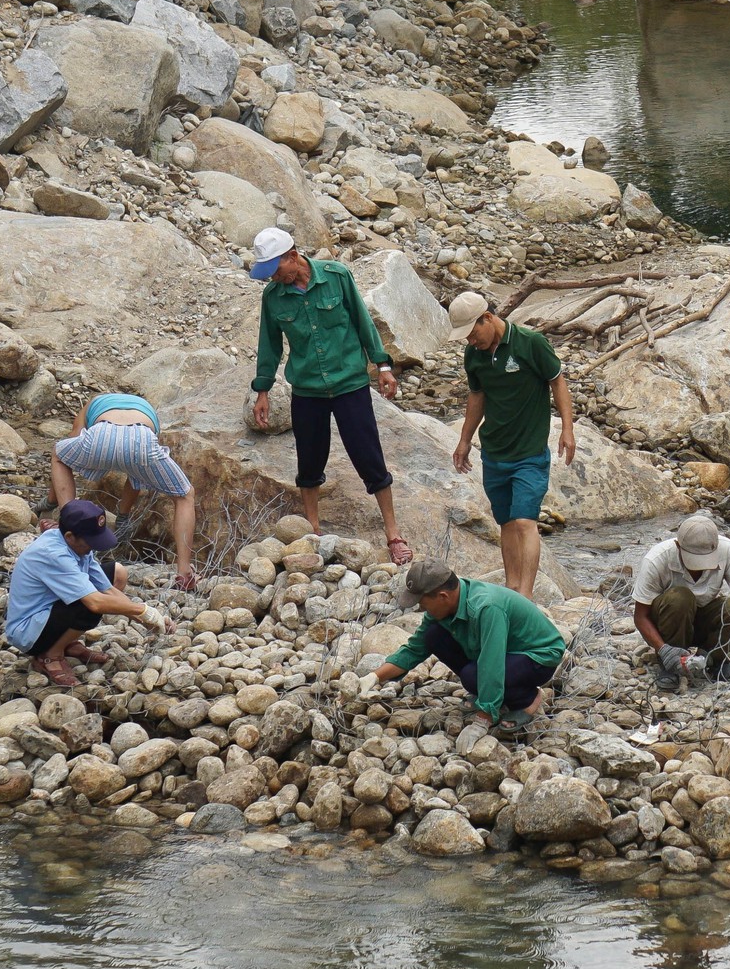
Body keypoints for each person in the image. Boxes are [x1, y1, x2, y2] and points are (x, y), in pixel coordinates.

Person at [246, 227, 411, 565]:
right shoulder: (274, 297)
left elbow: (363, 322)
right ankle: (313, 531)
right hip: (307, 390)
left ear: (293, 257)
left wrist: (382, 366)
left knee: (369, 456)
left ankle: (393, 534)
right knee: (309, 460)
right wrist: (262, 389)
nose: (274, 278)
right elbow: (270, 345)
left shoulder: (337, 277)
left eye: (276, 270)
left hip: (350, 383)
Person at [445, 292, 575, 599]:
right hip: (494, 452)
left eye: (472, 333)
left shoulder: (530, 343)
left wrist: (567, 429)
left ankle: (525, 596)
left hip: (529, 452)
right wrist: (464, 440)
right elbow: (477, 396)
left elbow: (557, 380)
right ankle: (512, 587)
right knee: (505, 521)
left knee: (524, 520)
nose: (469, 341)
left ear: (487, 318)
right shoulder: (474, 355)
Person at [366, 559, 567, 734]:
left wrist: (483, 718)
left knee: (473, 676)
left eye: (423, 603)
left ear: (443, 596)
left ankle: (527, 699)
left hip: (538, 655)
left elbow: (492, 662)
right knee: (433, 635)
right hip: (505, 652)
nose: (421, 608)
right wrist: (373, 677)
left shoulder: (486, 607)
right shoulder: (443, 607)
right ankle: (493, 693)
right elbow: (414, 649)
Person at [5, 500, 166, 688]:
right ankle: (50, 655)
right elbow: (96, 602)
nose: (93, 547)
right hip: (28, 631)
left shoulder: (78, 547)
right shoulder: (54, 554)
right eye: (90, 542)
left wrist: (148, 617)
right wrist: (142, 610)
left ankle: (66, 643)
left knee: (117, 572)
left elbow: (108, 589)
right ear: (70, 536)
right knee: (90, 605)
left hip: (51, 611)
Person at [49, 392, 197, 591]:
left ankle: (70, 522)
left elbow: (72, 441)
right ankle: (184, 571)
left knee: (58, 455)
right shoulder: (147, 410)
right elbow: (137, 476)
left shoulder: (93, 403)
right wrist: (123, 515)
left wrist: (51, 501)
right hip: (142, 438)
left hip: (102, 433)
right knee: (184, 496)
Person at [632, 514, 730, 690]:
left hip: (703, 619)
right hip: (670, 623)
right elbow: (640, 616)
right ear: (677, 546)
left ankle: (714, 659)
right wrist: (663, 649)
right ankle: (670, 665)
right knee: (680, 597)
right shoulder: (657, 559)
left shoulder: (727, 550)